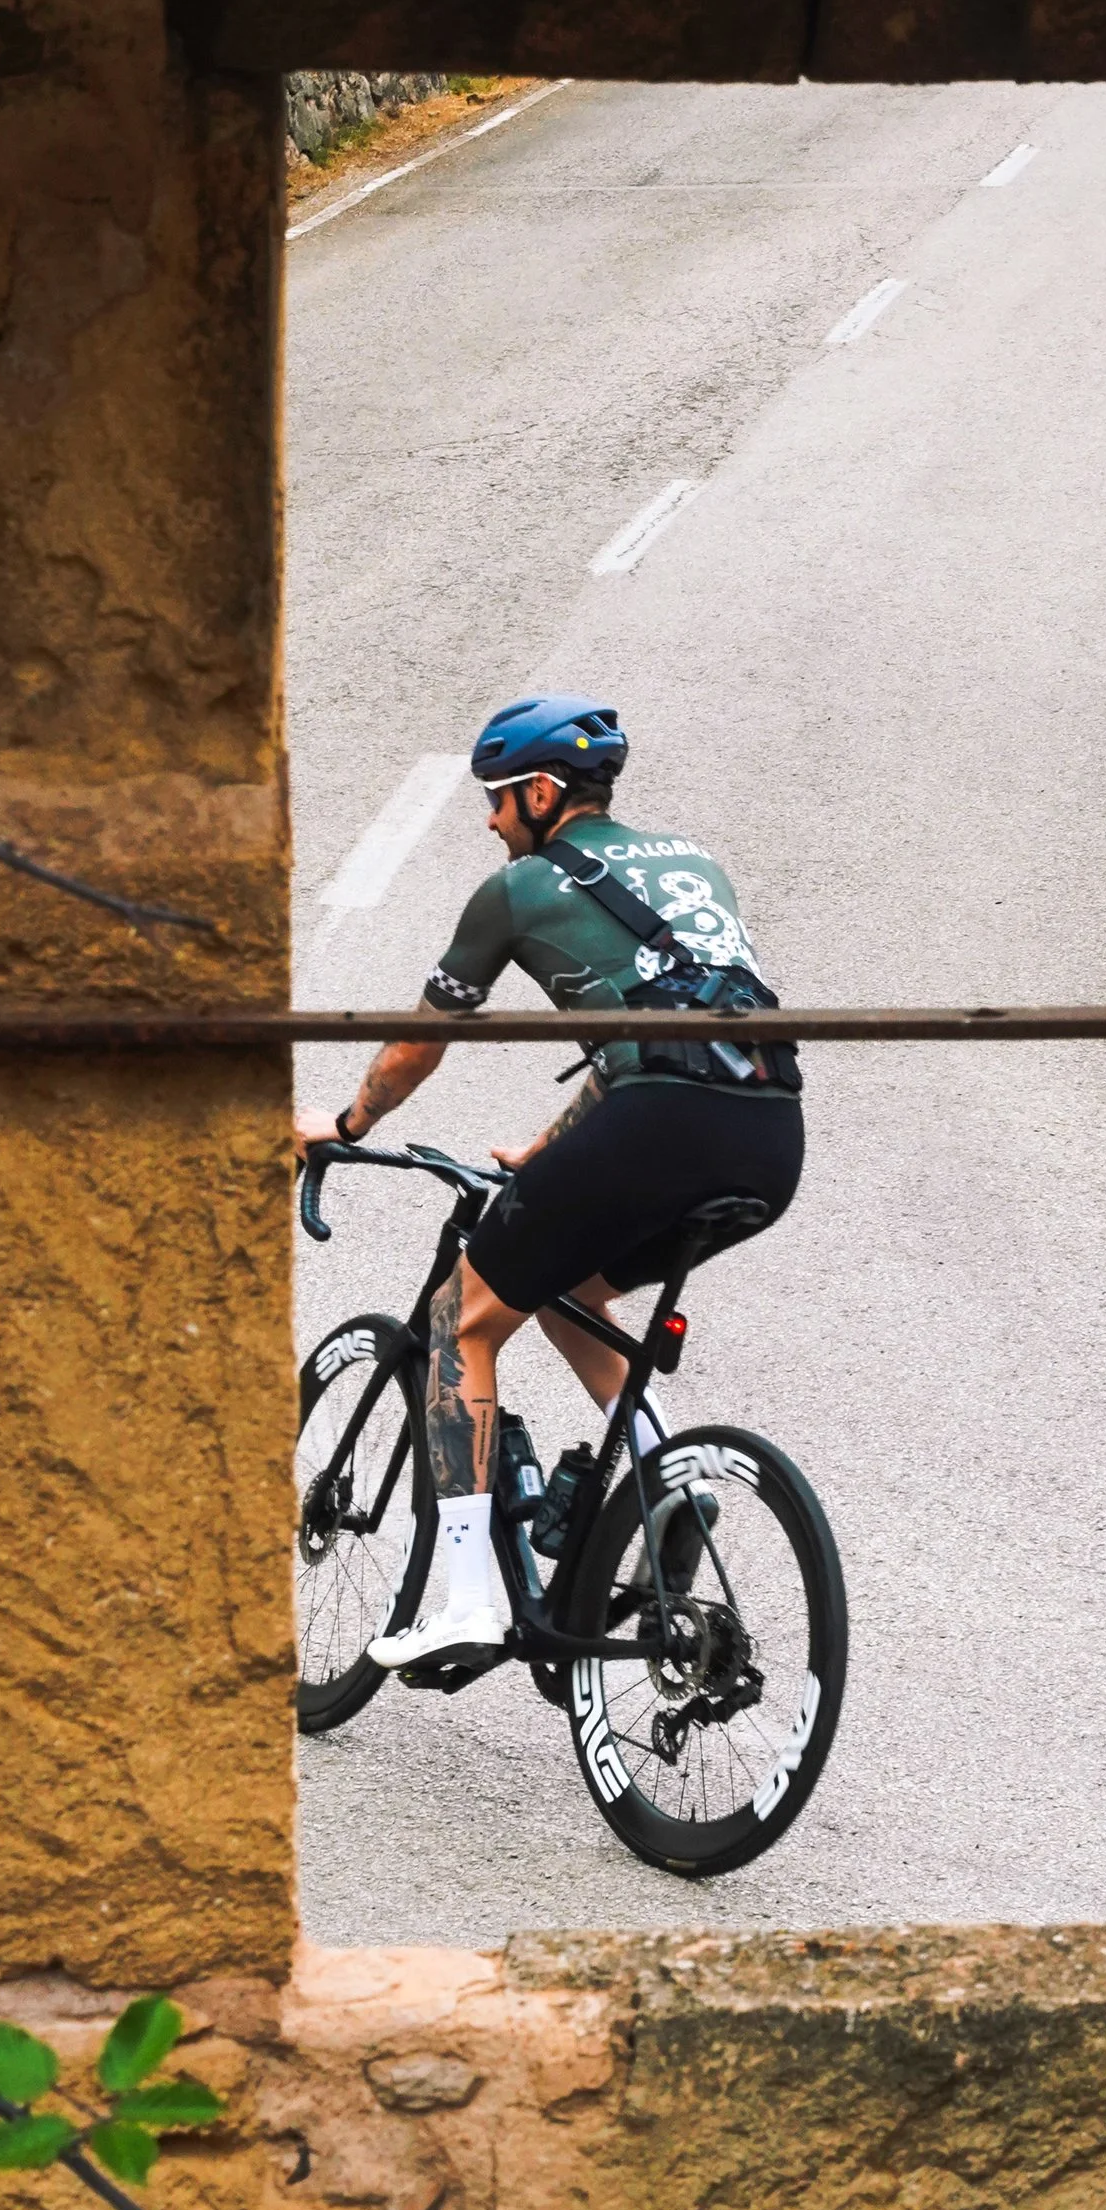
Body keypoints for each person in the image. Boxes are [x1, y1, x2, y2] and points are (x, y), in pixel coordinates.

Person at [293, 695, 804, 1669]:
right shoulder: (697, 865)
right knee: (572, 1288)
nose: (488, 823)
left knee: (459, 1320)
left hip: (656, 1125)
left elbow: (417, 1045)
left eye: (494, 801)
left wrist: (350, 1123)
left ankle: (468, 1601)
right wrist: (558, 1142)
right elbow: (663, 1027)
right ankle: (667, 1478)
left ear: (538, 792)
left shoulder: (520, 891)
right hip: (773, 1134)